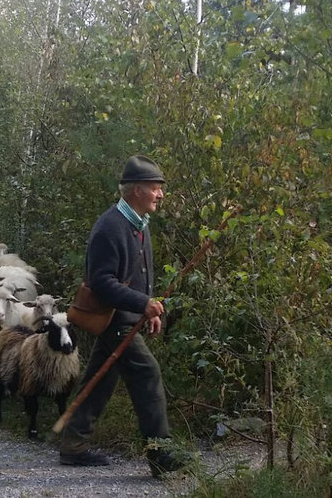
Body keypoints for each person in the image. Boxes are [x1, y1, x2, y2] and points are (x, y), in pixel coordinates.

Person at [59, 155, 190, 477]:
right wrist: (142, 303)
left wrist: (148, 309)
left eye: (161, 189)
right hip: (113, 320)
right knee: (148, 375)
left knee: (100, 379)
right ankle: (162, 457)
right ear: (135, 190)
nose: (161, 195)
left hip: (126, 317)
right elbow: (101, 283)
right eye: (155, 188)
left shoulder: (138, 225)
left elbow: (140, 275)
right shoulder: (110, 227)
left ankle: (73, 446)